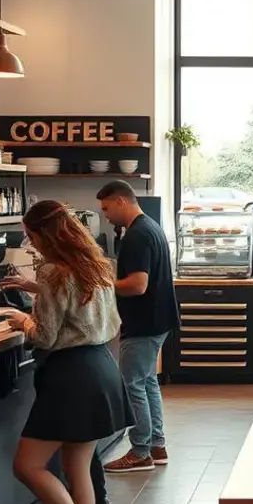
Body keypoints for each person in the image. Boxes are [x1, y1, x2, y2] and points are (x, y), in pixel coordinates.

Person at [1, 200, 133, 504]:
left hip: (69, 378)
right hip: (101, 369)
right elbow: (104, 319)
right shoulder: (95, 265)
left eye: (31, 236)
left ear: (45, 234)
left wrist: (23, 318)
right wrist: (37, 289)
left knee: (27, 466)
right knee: (79, 471)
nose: (31, 244)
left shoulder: (53, 270)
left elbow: (43, 335)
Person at [95, 181, 180, 473]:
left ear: (121, 201)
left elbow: (137, 285)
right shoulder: (151, 227)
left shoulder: (136, 236)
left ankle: (140, 451)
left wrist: (103, 286)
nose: (105, 215)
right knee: (147, 383)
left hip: (143, 322)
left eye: (106, 208)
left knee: (133, 386)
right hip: (159, 319)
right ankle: (157, 445)